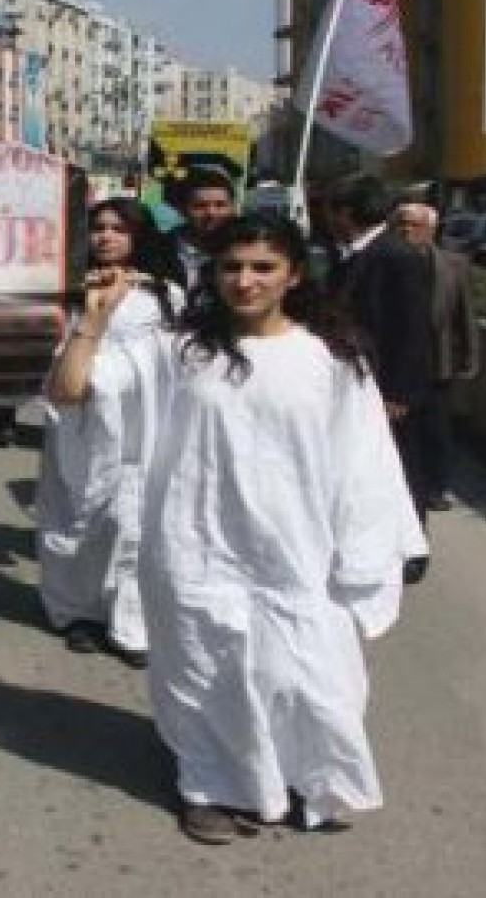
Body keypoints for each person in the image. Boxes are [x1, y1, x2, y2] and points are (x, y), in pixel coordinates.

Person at [48, 214, 423, 844]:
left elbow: (366, 465)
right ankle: (208, 785)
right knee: (204, 668)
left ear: (294, 275)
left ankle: (300, 775)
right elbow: (72, 390)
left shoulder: (330, 360)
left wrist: (370, 550)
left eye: (262, 267)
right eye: (231, 267)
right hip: (196, 549)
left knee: (306, 673)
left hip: (297, 552)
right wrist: (95, 316)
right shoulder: (177, 351)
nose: (244, 281)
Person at [37, 198, 183, 668]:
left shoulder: (164, 295)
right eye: (98, 227)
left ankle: (130, 620)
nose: (106, 237)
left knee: (133, 519)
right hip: (77, 417)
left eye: (119, 229)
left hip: (140, 424)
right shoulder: (65, 289)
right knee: (76, 513)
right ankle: (76, 611)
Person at [324, 175, 435, 582]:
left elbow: (412, 329)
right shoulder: (354, 254)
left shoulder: (396, 256)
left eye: (331, 209)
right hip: (358, 381)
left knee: (403, 465)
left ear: (346, 212)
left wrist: (399, 392)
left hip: (389, 387)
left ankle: (412, 547)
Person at [391, 202, 479, 511]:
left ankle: (435, 486)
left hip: (437, 363)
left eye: (414, 225)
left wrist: (469, 357)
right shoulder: (386, 264)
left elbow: (463, 315)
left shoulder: (454, 265)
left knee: (437, 430)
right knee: (401, 432)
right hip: (397, 364)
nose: (406, 230)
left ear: (431, 229)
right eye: (402, 224)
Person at [171, 168, 237, 290]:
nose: (211, 213)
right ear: (182, 209)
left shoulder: (244, 247)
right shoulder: (158, 250)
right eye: (200, 206)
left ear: (233, 208)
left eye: (220, 205)